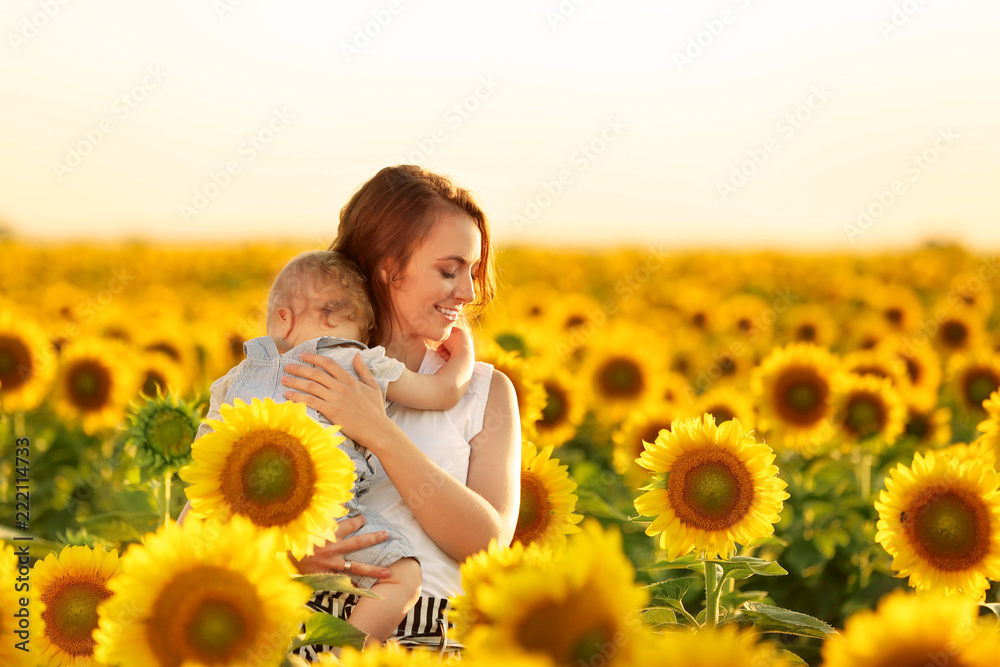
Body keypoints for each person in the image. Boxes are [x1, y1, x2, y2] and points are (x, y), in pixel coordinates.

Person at [282, 165, 521, 656]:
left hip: (438, 644)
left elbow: (487, 545)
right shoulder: (306, 372)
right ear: (390, 268)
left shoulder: (485, 393)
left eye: (472, 272)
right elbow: (210, 513)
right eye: (449, 270)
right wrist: (287, 549)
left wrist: (378, 432)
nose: (469, 293)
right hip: (310, 640)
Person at [185, 248, 477, 646]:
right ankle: (350, 652)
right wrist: (464, 355)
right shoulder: (351, 359)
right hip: (327, 512)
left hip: (251, 519)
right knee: (402, 575)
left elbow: (206, 456)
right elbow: (442, 391)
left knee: (194, 553)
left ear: (281, 318)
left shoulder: (235, 378)